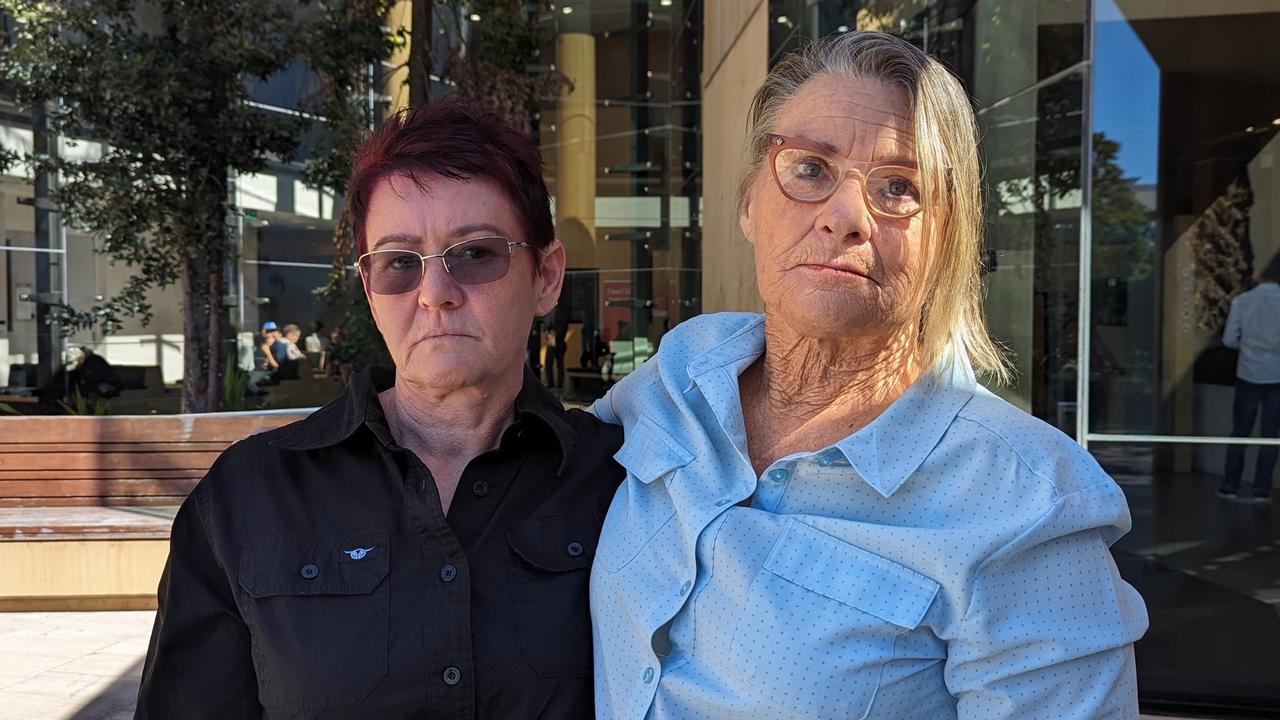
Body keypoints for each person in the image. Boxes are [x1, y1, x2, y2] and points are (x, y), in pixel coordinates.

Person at [589, 31, 1147, 720]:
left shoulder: (1025, 505)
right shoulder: (683, 372)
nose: (845, 217)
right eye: (809, 169)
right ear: (747, 203)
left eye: (898, 187)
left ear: (948, 237)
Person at [136, 103, 624, 718]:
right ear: (369, 289)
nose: (435, 294)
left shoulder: (626, 482)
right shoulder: (246, 499)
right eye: (399, 263)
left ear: (546, 275)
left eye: (475, 253)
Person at [1219, 253, 1280, 502]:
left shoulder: (1243, 301)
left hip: (1248, 372)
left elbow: (1228, 339)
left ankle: (1230, 486)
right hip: (1277, 375)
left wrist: (1248, 348)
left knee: (1240, 431)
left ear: (1257, 274)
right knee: (1271, 434)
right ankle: (1261, 489)